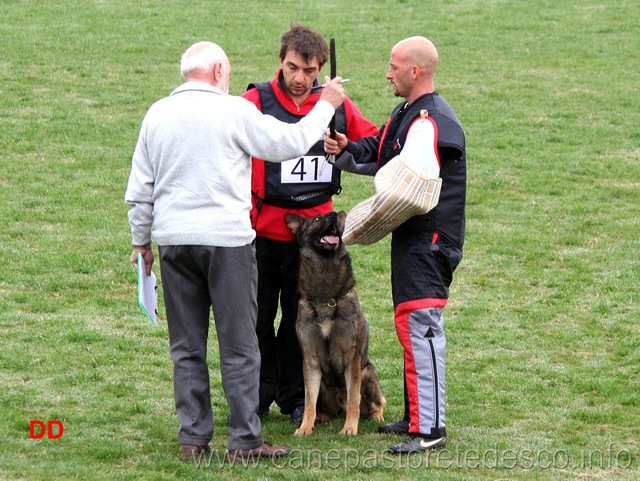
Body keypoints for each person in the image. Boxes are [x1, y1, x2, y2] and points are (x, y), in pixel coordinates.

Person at [125, 41, 345, 460]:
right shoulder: (234, 110)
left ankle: (193, 439)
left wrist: (141, 243)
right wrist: (326, 104)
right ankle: (245, 440)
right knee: (240, 344)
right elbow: (290, 143)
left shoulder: (156, 114)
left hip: (173, 241)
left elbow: (140, 192)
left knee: (186, 345)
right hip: (227, 242)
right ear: (220, 70)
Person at [324, 36, 466, 454]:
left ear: (415, 71)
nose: (388, 74)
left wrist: (366, 218)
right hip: (413, 240)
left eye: (394, 66)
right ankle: (417, 417)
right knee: (409, 325)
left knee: (421, 329)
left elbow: (412, 178)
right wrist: (347, 147)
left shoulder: (434, 120)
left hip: (431, 241)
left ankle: (430, 430)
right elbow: (382, 151)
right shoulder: (407, 113)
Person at [242, 23, 379, 423]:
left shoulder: (334, 102)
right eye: (292, 68)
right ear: (279, 62)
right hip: (262, 232)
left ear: (321, 69)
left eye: (310, 71)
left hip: (315, 243)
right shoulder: (256, 100)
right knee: (258, 318)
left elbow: (371, 139)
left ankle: (296, 399)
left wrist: (348, 146)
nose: (300, 79)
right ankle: (257, 394)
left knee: (300, 323)